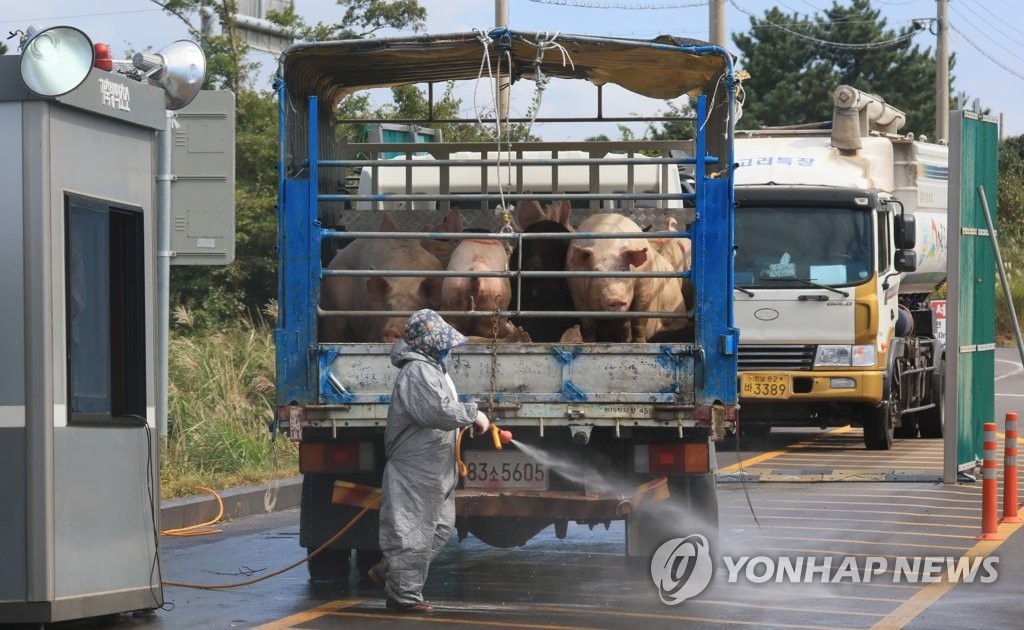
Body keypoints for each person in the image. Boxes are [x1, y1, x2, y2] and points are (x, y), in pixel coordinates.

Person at [368, 309, 490, 614]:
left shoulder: (432, 367)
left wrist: (467, 417)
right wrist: (472, 413)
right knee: (411, 531)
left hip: (434, 468)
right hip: (415, 467)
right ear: (426, 344)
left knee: (439, 527)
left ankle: (389, 573)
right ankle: (403, 597)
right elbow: (438, 412)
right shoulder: (417, 372)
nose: (445, 347)